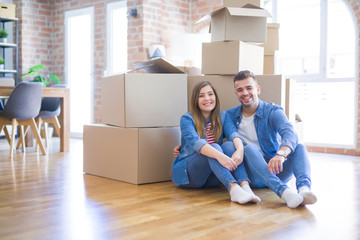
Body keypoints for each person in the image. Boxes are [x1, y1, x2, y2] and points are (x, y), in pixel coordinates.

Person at [225, 70, 317, 208]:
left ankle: (304, 190)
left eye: (249, 88)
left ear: (258, 89)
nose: (245, 93)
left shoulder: (272, 111)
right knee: (249, 148)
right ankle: (284, 192)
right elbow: (212, 135)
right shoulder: (230, 115)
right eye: (240, 90)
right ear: (236, 94)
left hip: (276, 169)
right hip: (252, 175)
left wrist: (281, 154)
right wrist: (181, 148)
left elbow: (290, 133)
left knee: (299, 146)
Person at [171, 81, 260, 204]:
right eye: (201, 96)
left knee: (230, 145)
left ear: (215, 97)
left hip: (213, 178)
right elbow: (196, 143)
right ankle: (233, 188)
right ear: (195, 100)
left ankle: (245, 187)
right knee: (214, 147)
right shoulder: (187, 119)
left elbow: (234, 134)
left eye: (210, 94)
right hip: (191, 176)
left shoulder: (222, 116)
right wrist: (220, 156)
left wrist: (240, 151)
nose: (207, 99)